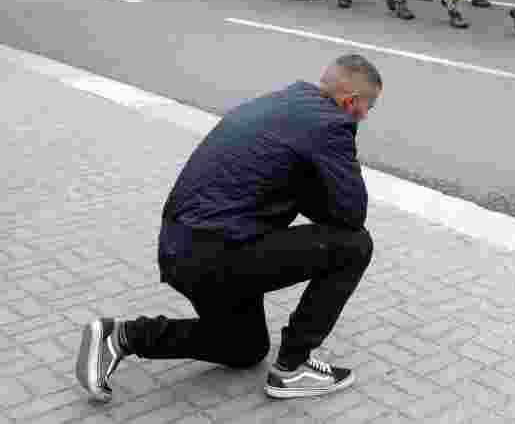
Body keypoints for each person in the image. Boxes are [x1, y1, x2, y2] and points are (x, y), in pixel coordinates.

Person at [75, 54, 379, 403]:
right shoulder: (331, 125)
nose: (366, 116)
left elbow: (291, 188)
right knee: (354, 246)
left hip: (184, 250)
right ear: (350, 102)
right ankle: (294, 368)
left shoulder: (285, 102)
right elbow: (352, 215)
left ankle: (121, 336)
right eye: (369, 106)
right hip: (221, 251)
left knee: (244, 347)